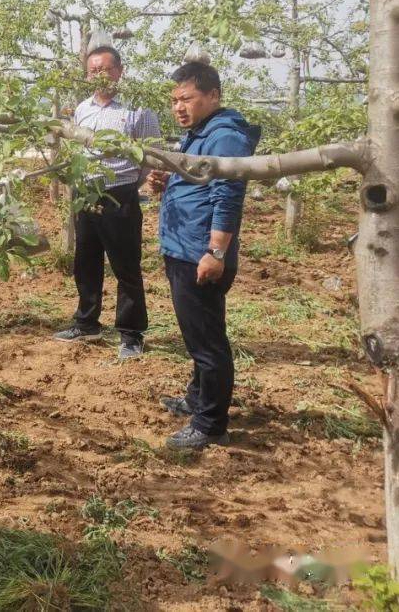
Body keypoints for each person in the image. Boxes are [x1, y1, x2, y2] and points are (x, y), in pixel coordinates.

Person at [147, 61, 261, 450]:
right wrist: (168, 181)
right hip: (185, 249)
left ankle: (211, 424)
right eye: (175, 100)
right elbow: (199, 185)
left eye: (187, 98)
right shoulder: (200, 134)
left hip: (200, 253)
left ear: (213, 95)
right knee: (200, 334)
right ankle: (197, 399)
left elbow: (228, 200)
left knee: (207, 343)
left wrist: (215, 252)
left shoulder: (224, 138)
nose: (179, 107)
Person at [54, 46, 161, 360]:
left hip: (120, 195)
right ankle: (87, 322)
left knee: (125, 266)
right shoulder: (83, 108)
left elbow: (150, 155)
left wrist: (130, 186)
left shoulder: (137, 109)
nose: (98, 75)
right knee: (85, 261)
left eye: (104, 69)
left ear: (119, 71)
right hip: (86, 195)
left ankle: (131, 333)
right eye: (92, 70)